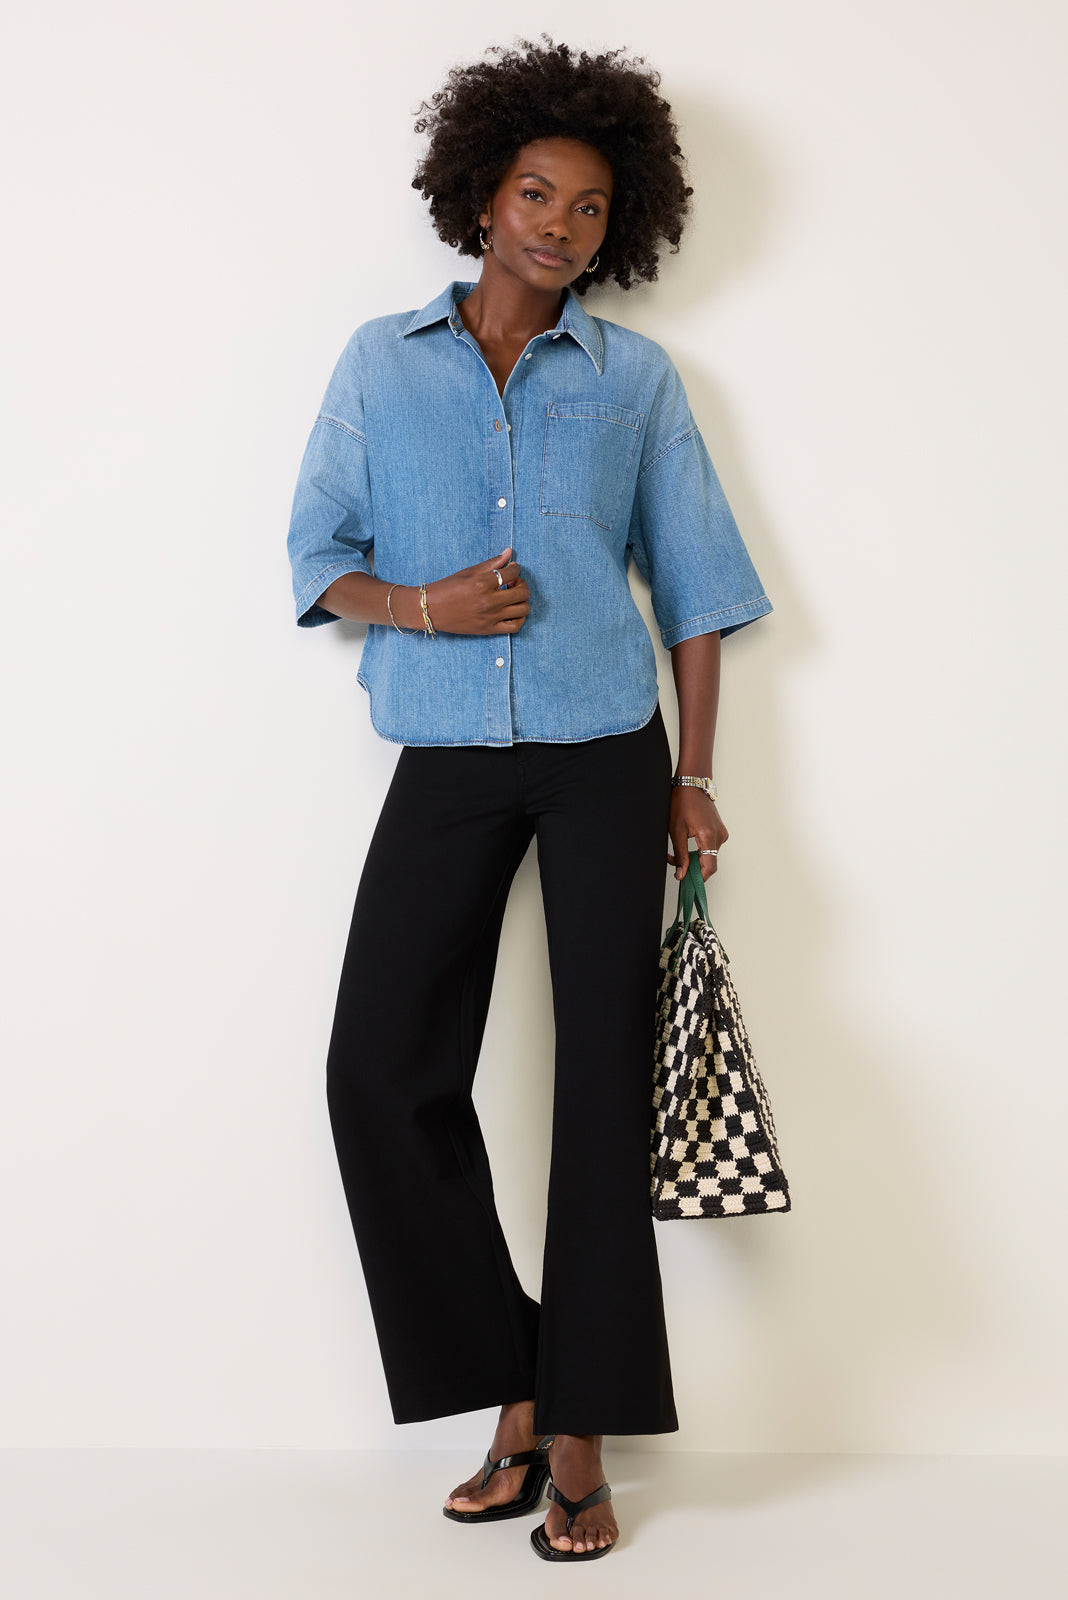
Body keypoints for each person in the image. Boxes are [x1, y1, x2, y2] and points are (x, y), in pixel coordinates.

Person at [286, 38, 772, 1564]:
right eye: (536, 193)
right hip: (444, 751)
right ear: (482, 196)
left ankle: (578, 1436)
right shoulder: (382, 363)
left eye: (590, 206)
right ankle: (515, 1380)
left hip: (603, 753)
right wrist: (422, 605)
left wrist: (694, 778)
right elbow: (318, 556)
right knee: (379, 1074)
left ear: (620, 227)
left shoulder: (636, 383)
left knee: (602, 1086)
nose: (559, 224)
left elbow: (696, 591)